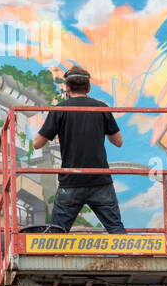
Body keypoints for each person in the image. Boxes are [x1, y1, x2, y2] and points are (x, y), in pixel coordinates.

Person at [32, 66, 126, 233]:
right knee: (116, 230)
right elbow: (118, 142)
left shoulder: (60, 110)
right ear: (88, 87)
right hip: (100, 181)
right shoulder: (101, 108)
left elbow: (37, 144)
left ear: (67, 88)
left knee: (56, 234)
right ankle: (130, 258)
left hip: (71, 182)